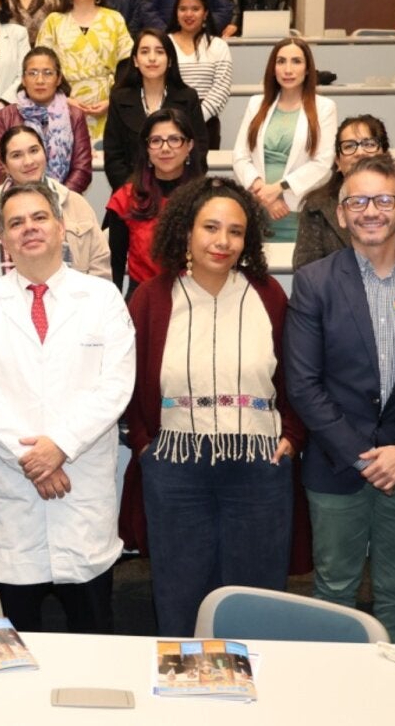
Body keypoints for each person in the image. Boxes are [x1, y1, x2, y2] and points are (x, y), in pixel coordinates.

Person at [285, 154, 395, 645]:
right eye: (357, 201)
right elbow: (303, 383)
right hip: (338, 465)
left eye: (384, 200)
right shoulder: (314, 282)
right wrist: (363, 457)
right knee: (334, 588)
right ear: (341, 214)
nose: (371, 211)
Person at [119, 177, 301, 637]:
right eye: (211, 227)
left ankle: (255, 697)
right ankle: (183, 698)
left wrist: (293, 438)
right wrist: (144, 445)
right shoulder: (151, 297)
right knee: (180, 594)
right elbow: (129, 377)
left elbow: (296, 377)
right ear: (186, 231)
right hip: (176, 468)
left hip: (259, 467)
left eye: (236, 231)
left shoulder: (268, 295)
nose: (223, 241)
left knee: (253, 598)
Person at [0, 182, 135, 633]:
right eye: (15, 222)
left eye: (39, 218)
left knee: (94, 638)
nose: (28, 229)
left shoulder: (102, 298)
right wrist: (37, 460)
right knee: (16, 645)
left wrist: (60, 447)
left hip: (81, 488)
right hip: (14, 494)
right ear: (2, 238)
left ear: (61, 228)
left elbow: (115, 386)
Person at [0, 125, 108, 295]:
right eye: (16, 155)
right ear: (5, 165)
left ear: (44, 154)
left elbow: (99, 268)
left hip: (74, 315)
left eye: (34, 150)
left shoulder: (75, 204)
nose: (28, 161)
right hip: (1, 317)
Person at [232, 37, 338, 242]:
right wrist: (264, 195)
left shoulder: (324, 107)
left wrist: (278, 188)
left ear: (308, 69)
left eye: (296, 61)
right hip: (258, 208)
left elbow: (323, 163)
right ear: (273, 68)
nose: (288, 69)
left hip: (298, 209)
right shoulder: (256, 103)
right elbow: (240, 156)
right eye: (281, 62)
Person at [293, 114, 395, 269]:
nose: (359, 152)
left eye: (369, 144)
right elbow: (306, 271)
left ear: (385, 155)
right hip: (334, 292)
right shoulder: (316, 206)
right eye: (349, 146)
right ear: (338, 162)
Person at [103, 108, 201, 295]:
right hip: (142, 298)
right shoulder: (126, 198)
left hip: (195, 299)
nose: (165, 148)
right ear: (147, 149)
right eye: (156, 141)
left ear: (189, 146)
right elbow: (114, 266)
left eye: (174, 139)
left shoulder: (208, 198)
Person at [36, 0, 133, 144]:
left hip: (107, 106)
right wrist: (63, 98)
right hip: (63, 105)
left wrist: (112, 101)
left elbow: (127, 65)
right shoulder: (54, 21)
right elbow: (42, 67)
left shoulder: (114, 19)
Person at [103, 27, 206, 190]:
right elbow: (113, 156)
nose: (152, 58)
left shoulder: (188, 97)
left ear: (170, 60)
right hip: (132, 194)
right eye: (144, 52)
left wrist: (182, 194)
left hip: (180, 193)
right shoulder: (119, 98)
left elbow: (198, 152)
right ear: (135, 60)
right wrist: (133, 192)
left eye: (159, 52)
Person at [0, 48, 91, 193]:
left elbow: (82, 168)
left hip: (65, 200)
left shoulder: (74, 115)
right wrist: (25, 197)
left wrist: (57, 198)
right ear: (24, 80)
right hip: (17, 200)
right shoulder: (6, 115)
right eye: (33, 73)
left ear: (59, 78)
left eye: (48, 73)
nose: (40, 80)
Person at [168, 0, 233, 149]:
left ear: (205, 14)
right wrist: (172, 120)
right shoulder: (164, 43)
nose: (188, 14)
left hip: (206, 124)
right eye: (183, 9)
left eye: (195, 9)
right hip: (168, 122)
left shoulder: (218, 45)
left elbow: (221, 90)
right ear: (176, 13)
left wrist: (194, 119)